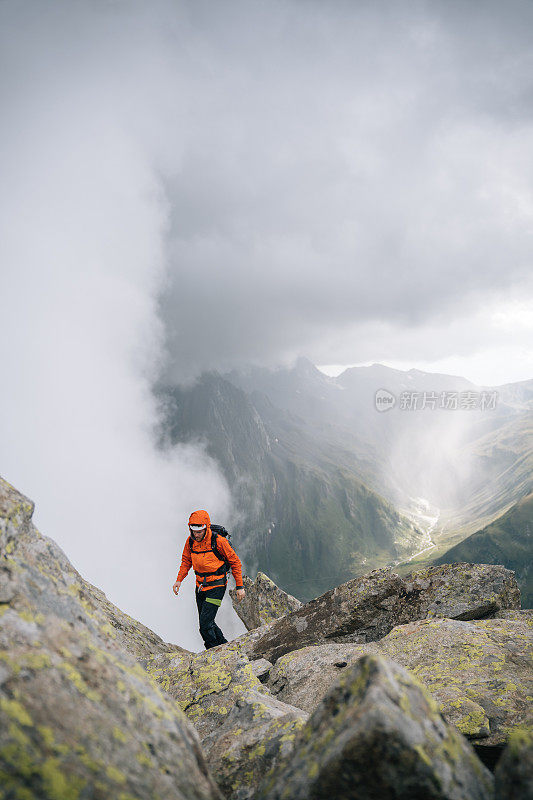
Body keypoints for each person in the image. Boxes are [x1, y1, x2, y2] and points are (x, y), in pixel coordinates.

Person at [173, 509, 245, 649]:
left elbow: (235, 562)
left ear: (206, 528)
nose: (196, 534)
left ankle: (213, 651)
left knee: (204, 625)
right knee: (207, 621)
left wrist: (240, 586)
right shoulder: (190, 542)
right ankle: (224, 647)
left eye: (199, 531)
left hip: (216, 587)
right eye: (193, 531)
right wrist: (179, 580)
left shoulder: (219, 541)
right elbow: (186, 561)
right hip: (200, 587)